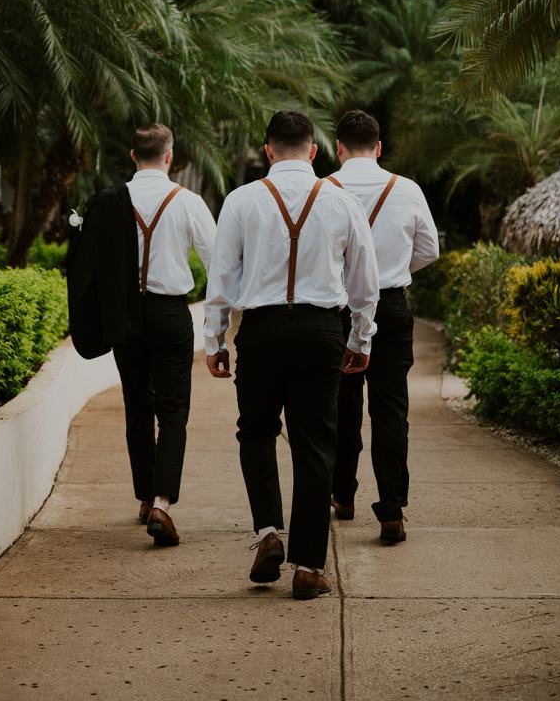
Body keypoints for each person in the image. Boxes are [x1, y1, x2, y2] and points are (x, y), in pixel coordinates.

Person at [204, 110, 379, 601]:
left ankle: (268, 532)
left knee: (256, 431)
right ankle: (308, 566)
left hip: (261, 331)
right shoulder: (342, 201)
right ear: (314, 150)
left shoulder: (241, 200)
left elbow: (221, 278)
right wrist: (360, 339)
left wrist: (215, 341)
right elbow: (364, 282)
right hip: (320, 331)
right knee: (315, 443)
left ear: (268, 150)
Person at [67, 123, 215, 547]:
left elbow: (86, 267)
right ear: (170, 157)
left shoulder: (109, 201)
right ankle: (163, 503)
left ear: (133, 156)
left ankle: (146, 496)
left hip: (125, 317)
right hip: (171, 314)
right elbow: (219, 262)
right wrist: (218, 328)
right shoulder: (187, 201)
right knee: (173, 410)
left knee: (137, 405)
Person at [327, 109, 439, 543]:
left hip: (338, 309)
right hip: (390, 306)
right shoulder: (406, 189)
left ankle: (343, 494)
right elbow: (429, 250)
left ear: (338, 147)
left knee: (342, 407)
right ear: (378, 147)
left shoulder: (324, 190)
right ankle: (392, 509)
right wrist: (390, 272)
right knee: (391, 409)